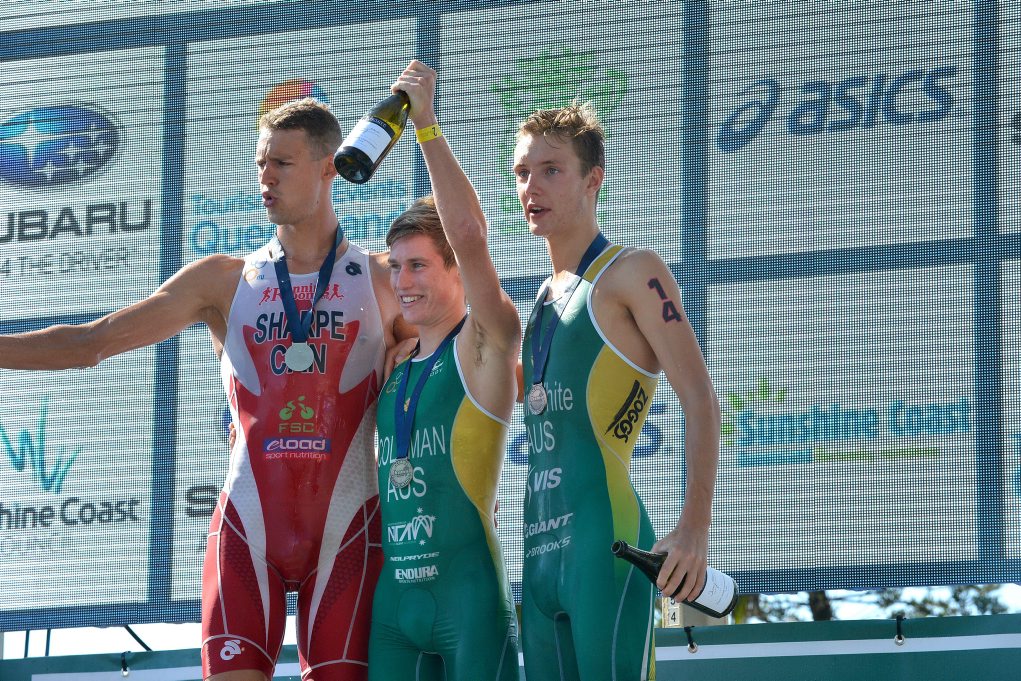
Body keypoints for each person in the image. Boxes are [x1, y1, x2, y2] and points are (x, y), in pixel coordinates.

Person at [0, 97, 411, 681]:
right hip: (247, 527)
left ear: (329, 167)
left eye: (283, 164)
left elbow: (467, 360)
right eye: (260, 162)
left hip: (347, 528)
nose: (265, 176)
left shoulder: (381, 278)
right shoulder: (221, 281)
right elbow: (91, 342)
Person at [513, 102, 721, 681]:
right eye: (523, 173)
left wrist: (694, 527)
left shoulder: (632, 270)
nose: (534, 186)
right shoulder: (541, 301)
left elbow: (700, 399)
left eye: (552, 169)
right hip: (538, 552)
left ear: (592, 179)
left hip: (605, 545)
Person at [369, 60, 521, 681]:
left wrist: (425, 126)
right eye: (396, 267)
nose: (403, 282)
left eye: (420, 266)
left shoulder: (483, 346)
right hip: (392, 606)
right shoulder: (392, 366)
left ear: (455, 269)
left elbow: (470, 233)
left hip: (468, 599)